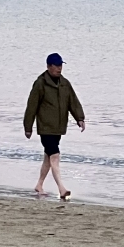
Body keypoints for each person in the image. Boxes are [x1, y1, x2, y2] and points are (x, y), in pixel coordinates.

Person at [23, 52, 85, 199]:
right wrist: (28, 126)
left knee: (48, 157)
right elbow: (31, 106)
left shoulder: (65, 83)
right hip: (45, 127)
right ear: (49, 66)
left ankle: (39, 185)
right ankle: (62, 189)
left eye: (60, 65)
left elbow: (73, 102)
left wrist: (80, 118)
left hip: (58, 127)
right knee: (55, 156)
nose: (59, 68)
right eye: (56, 66)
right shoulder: (40, 83)